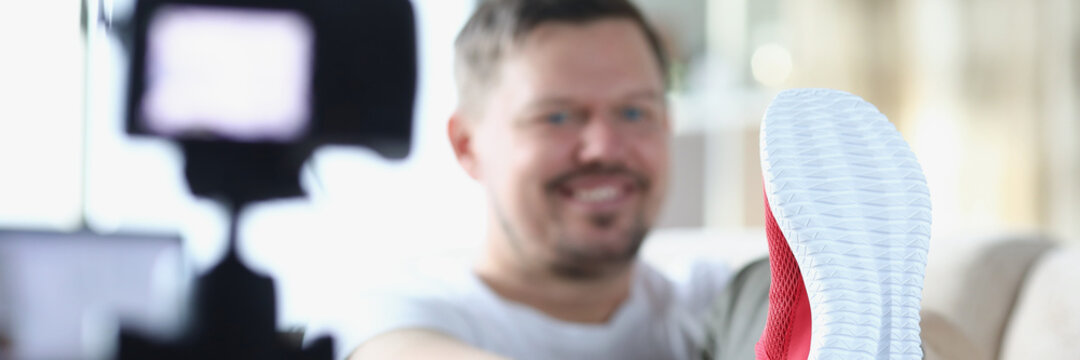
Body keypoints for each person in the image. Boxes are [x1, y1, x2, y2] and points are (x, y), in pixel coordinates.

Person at [342, 1, 946, 359]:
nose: (604, 147)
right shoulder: (401, 312)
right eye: (557, 116)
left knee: (768, 287)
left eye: (635, 112)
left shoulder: (714, 296)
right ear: (468, 145)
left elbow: (943, 337)